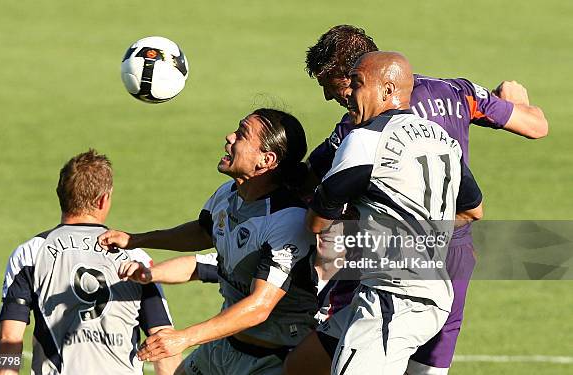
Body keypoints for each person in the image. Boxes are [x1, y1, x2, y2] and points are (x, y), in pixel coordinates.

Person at [285, 25, 548, 375]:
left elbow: (309, 186)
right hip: (452, 259)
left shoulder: (359, 132)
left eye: (337, 87)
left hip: (393, 270)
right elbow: (536, 126)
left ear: (361, 75)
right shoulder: (455, 92)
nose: (336, 100)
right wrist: (516, 102)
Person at [98, 108, 318, 375]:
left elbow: (259, 307)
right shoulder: (228, 194)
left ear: (266, 159)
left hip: (274, 361)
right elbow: (204, 231)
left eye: (242, 134)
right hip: (225, 348)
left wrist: (184, 337)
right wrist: (135, 240)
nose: (229, 137)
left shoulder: (288, 220)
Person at [306, 51, 483, 375]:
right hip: (434, 290)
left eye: (357, 84)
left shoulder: (363, 140)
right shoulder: (441, 138)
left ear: (388, 91)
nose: (349, 95)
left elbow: (317, 221)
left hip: (394, 296)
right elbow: (474, 209)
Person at [0, 150, 179, 375]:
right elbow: (164, 342)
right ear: (103, 200)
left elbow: (9, 339)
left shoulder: (30, 254)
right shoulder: (136, 259)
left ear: (60, 194)